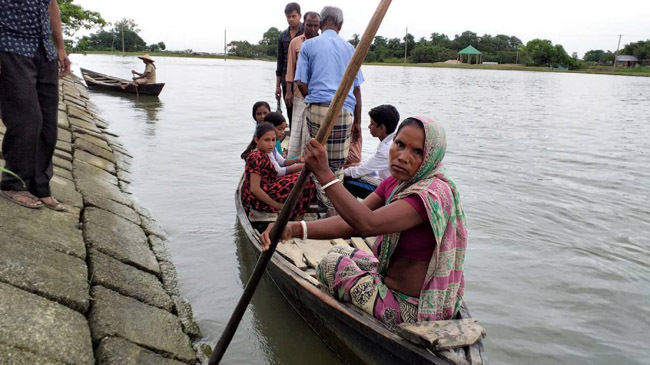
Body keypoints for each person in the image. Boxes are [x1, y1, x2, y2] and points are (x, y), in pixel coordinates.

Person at [261, 116, 468, 329]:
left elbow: (367, 224)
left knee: (330, 265)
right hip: (388, 279)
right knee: (339, 252)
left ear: (431, 157)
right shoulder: (397, 182)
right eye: (400, 144)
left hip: (411, 308)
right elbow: (349, 222)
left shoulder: (429, 194)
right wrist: (294, 228)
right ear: (392, 141)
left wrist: (324, 173)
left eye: (418, 152)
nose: (403, 157)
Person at [0, 0, 70, 210]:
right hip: (10, 47)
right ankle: (12, 183)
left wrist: (60, 47)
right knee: (27, 119)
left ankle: (40, 185)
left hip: (44, 50)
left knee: (48, 125)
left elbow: (52, 5)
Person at [294, 6, 363, 183]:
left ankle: (321, 197)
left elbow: (300, 83)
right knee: (337, 164)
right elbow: (356, 90)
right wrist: (357, 123)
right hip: (344, 111)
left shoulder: (308, 45)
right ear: (340, 25)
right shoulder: (350, 48)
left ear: (321, 23)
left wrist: (315, 99)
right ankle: (332, 204)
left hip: (317, 108)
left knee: (316, 157)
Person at [241, 122, 314, 220]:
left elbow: (282, 163)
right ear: (256, 140)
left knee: (304, 179)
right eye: (266, 140)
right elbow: (255, 189)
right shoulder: (255, 157)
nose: (271, 144)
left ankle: (296, 218)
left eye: (273, 140)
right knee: (305, 181)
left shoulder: (264, 153)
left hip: (269, 187)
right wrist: (277, 205)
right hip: (260, 197)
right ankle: (297, 218)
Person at [343, 104, 400, 199]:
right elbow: (369, 164)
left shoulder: (386, 149)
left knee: (347, 180)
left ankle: (352, 211)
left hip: (389, 191)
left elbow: (358, 172)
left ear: (382, 128)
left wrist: (339, 174)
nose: (369, 126)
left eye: (372, 124)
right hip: (388, 182)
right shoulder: (392, 142)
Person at [285, 11, 320, 159]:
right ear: (303, 24)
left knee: (312, 131)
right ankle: (294, 160)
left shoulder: (322, 43)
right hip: (299, 93)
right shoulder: (296, 42)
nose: (312, 28)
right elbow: (290, 68)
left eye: (315, 26)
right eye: (309, 25)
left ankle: (309, 161)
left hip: (317, 95)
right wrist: (288, 91)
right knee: (297, 128)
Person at [275, 2, 303, 129]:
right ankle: (292, 137)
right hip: (286, 79)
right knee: (290, 110)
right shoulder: (283, 36)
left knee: (303, 110)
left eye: (293, 16)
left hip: (303, 79)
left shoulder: (307, 31)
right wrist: (278, 86)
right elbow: (280, 62)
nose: (290, 19)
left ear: (299, 15)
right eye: (288, 17)